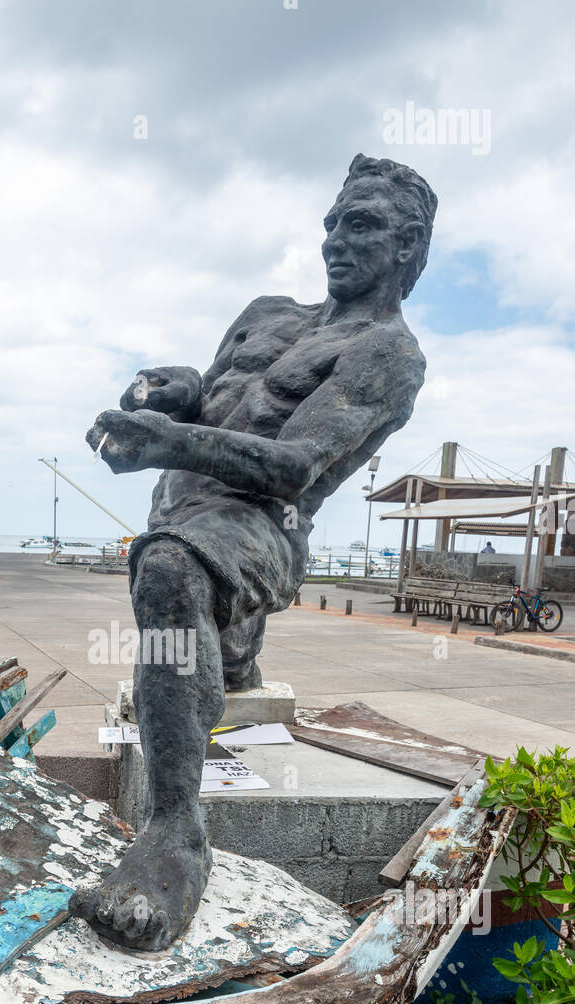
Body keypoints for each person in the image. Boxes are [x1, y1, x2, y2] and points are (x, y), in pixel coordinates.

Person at [71, 154, 437, 951]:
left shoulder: (387, 354)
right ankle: (231, 659)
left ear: (407, 246)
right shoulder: (265, 311)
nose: (336, 240)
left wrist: (169, 436)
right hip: (185, 503)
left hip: (261, 522)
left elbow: (294, 462)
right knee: (182, 591)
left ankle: (175, 833)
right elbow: (212, 398)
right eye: (332, 223)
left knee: (168, 568)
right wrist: (168, 392)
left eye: (362, 225)